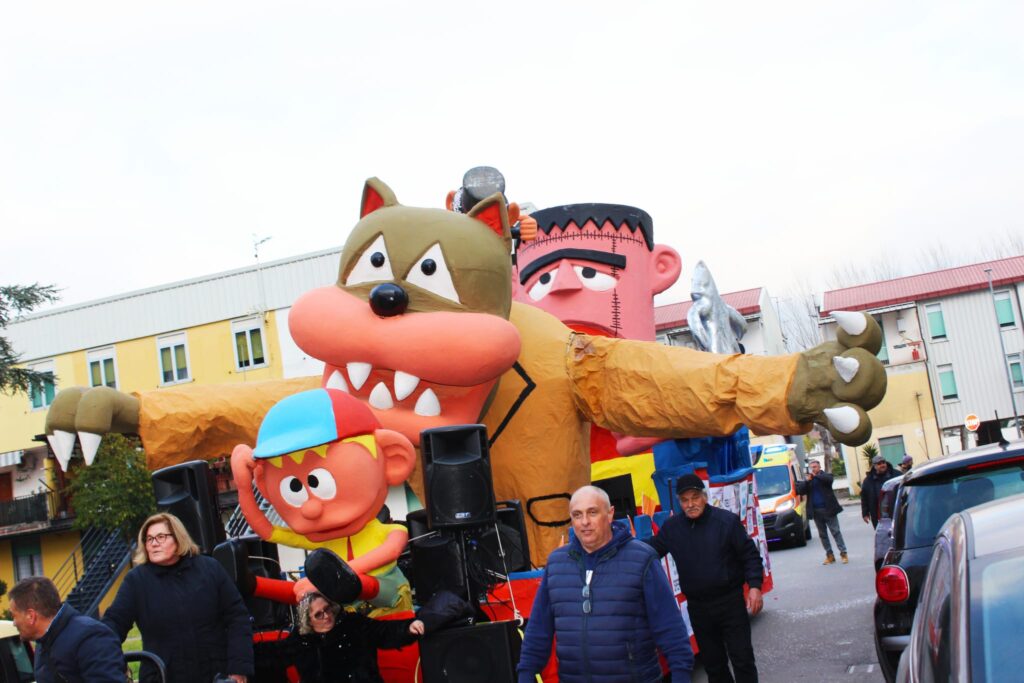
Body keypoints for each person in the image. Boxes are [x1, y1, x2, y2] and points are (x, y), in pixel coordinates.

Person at [517, 485, 694, 683]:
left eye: (592, 512)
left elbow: (670, 627)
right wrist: (526, 673)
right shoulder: (557, 563)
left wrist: (681, 675)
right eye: (577, 515)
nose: (585, 522)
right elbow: (538, 629)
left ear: (609, 514)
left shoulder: (641, 559)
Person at [102, 512, 254, 683]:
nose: (154, 544)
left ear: (178, 538)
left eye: (161, 537)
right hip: (163, 676)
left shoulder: (209, 569)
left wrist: (239, 669)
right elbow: (113, 623)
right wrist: (109, 661)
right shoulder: (136, 581)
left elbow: (237, 618)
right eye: (149, 539)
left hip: (215, 674)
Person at [647, 474, 762, 683]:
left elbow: (750, 555)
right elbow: (650, 550)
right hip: (699, 608)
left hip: (730, 603)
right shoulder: (672, 528)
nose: (690, 504)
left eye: (695, 497)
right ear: (679, 502)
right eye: (685, 500)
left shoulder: (726, 522)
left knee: (742, 659)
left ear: (704, 497)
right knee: (713, 664)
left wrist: (755, 586)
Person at [255, 591, 423, 683]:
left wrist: (408, 628)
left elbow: (383, 631)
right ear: (309, 621)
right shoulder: (302, 640)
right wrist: (236, 659)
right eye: (318, 615)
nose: (326, 616)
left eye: (327, 609)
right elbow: (273, 654)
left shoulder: (353, 624)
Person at [8, 576, 126, 683]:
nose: (14, 623)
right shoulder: (43, 642)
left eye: (14, 616)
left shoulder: (91, 637)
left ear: (31, 616)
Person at [801, 460, 848, 565]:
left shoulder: (826, 475)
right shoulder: (809, 479)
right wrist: (807, 481)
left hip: (829, 510)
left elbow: (829, 480)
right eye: (811, 467)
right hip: (816, 511)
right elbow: (801, 490)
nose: (813, 469)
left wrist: (815, 476)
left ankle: (843, 553)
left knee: (835, 532)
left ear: (819, 467)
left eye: (815, 467)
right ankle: (829, 555)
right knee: (823, 535)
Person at [861, 455, 898, 528]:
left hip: (895, 512)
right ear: (874, 466)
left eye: (883, 462)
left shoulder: (896, 475)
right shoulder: (868, 481)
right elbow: (864, 497)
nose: (882, 465)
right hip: (878, 516)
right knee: (882, 536)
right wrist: (865, 513)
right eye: (879, 464)